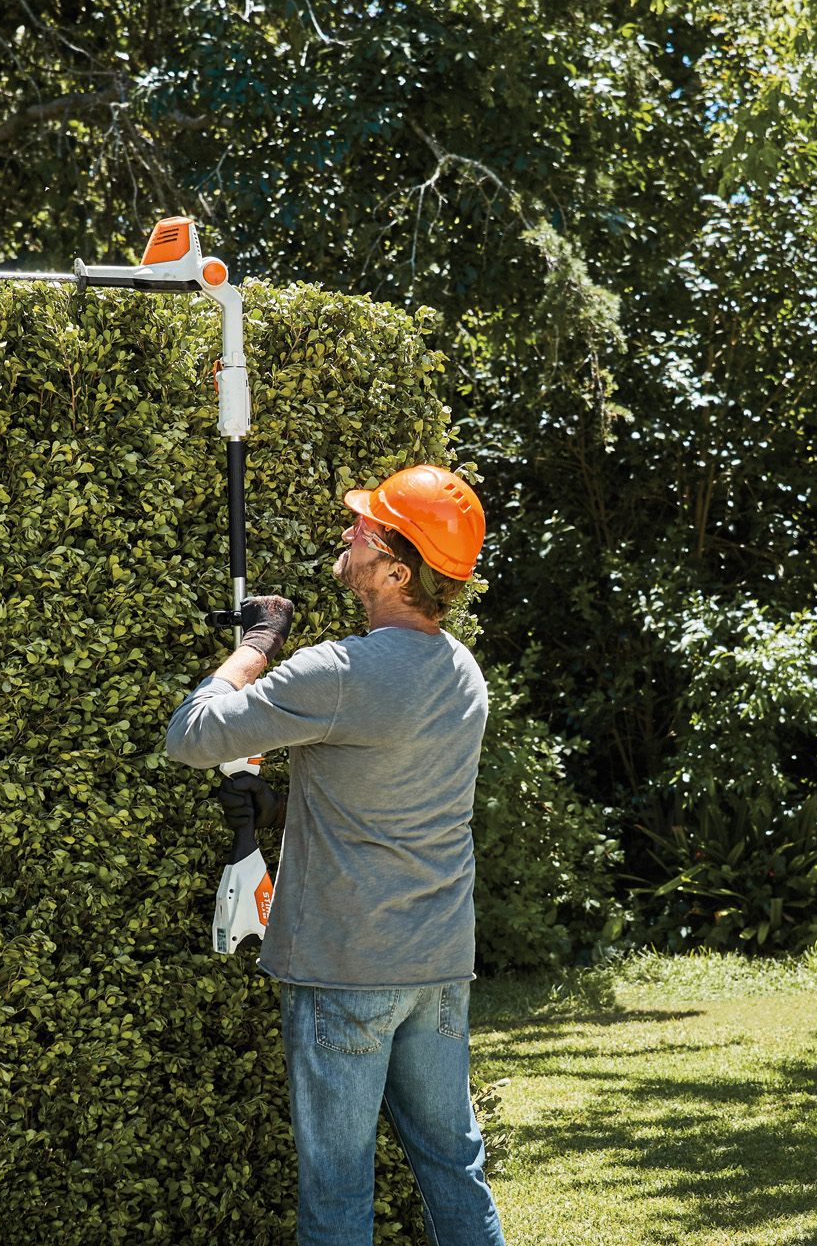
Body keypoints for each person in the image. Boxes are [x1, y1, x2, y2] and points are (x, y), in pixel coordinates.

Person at [166, 464, 506, 1246]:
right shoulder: (462, 672)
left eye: (365, 526)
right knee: (454, 1165)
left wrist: (256, 644)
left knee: (336, 1192)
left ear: (394, 567)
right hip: (437, 965)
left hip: (346, 968)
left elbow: (192, 736)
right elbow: (392, 794)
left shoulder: (341, 671)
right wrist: (284, 807)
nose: (349, 531)